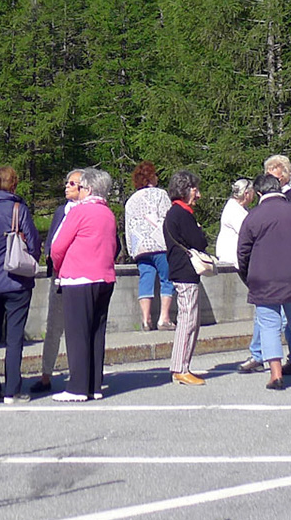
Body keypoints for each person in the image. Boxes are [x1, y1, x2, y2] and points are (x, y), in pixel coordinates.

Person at [238, 173, 291, 390]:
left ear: (258, 193)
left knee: (268, 327)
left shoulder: (253, 216)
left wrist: (249, 276)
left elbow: (243, 253)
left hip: (263, 279)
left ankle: (275, 374)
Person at [49, 168, 119, 401]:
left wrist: (59, 266)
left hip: (79, 278)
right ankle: (94, 384)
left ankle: (77, 387)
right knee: (96, 332)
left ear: (87, 189)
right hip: (104, 277)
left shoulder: (80, 212)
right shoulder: (108, 213)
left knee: (77, 333)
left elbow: (57, 246)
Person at [0, 166, 40, 401]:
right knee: (14, 338)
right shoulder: (18, 209)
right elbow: (33, 244)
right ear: (13, 184)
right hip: (16, 282)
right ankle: (12, 388)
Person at [26, 169, 82, 399]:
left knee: (77, 329)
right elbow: (51, 242)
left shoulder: (89, 211)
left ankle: (80, 374)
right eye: (66, 183)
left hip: (80, 277)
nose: (67, 187)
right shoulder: (61, 211)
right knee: (53, 327)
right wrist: (52, 258)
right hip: (59, 275)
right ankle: (46, 375)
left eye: (72, 184)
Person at [161, 169, 209, 387]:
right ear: (187, 190)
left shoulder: (174, 213)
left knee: (190, 319)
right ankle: (180, 368)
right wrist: (200, 232)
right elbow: (199, 241)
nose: (198, 195)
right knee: (187, 320)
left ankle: (183, 365)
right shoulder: (181, 214)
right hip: (185, 272)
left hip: (181, 270)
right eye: (195, 190)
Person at [125, 163, 174, 331]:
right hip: (159, 244)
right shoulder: (161, 194)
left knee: (146, 279)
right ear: (151, 177)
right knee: (166, 279)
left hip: (141, 247)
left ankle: (146, 319)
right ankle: (164, 318)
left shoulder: (131, 200)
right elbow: (168, 219)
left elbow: (128, 227)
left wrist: (132, 249)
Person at [214, 178, 253, 272]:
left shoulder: (240, 208)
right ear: (246, 194)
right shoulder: (234, 210)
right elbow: (247, 232)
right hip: (231, 259)